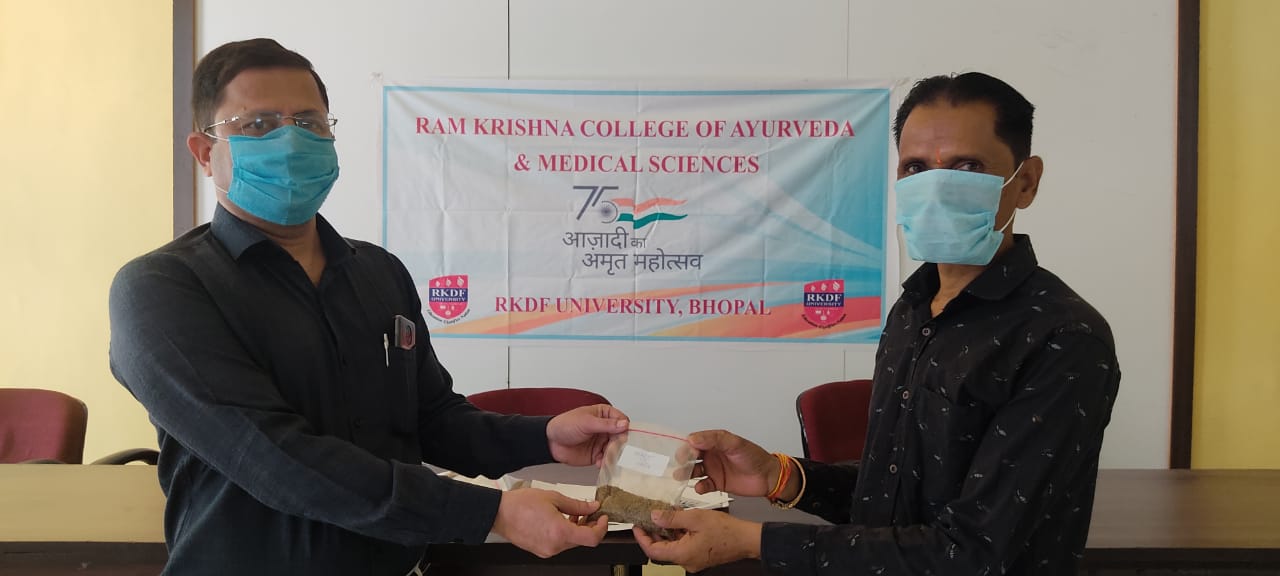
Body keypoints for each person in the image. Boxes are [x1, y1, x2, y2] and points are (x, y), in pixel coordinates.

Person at [108, 38, 627, 576]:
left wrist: (543, 437)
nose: (291, 141)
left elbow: (432, 420)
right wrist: (490, 512)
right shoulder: (160, 289)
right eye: (259, 125)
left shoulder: (378, 272)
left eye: (309, 122)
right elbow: (272, 458)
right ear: (203, 151)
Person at [635, 72, 1121, 575]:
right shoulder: (913, 309)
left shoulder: (1063, 338)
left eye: (967, 166)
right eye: (916, 168)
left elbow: (976, 551)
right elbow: (890, 495)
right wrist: (781, 477)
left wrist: (753, 541)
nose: (936, 187)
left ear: (1026, 182)